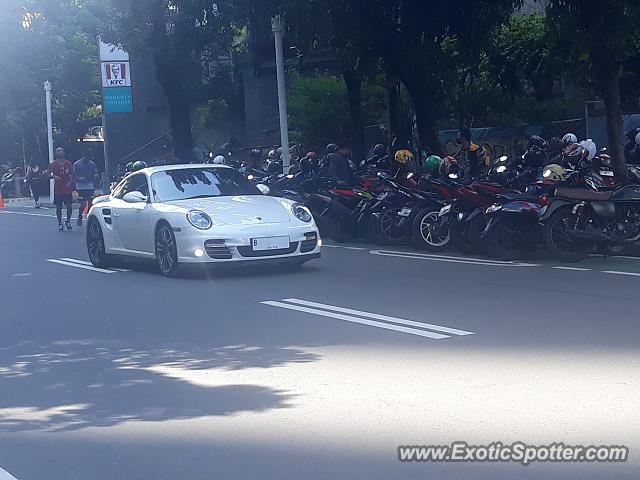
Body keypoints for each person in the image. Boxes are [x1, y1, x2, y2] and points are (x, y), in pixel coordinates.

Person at [49, 147, 74, 231]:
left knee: (69, 206)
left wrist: (70, 182)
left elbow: (72, 174)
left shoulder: (68, 163)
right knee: (58, 207)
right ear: (56, 153)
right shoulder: (53, 164)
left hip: (67, 188)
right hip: (58, 189)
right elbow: (46, 174)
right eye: (58, 151)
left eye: (62, 150)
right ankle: (60, 222)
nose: (61, 152)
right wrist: (53, 176)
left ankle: (68, 221)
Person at [73, 152, 98, 226]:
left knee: (90, 202)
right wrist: (79, 178)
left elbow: (95, 172)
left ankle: (89, 218)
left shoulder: (92, 164)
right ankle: (80, 216)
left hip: (89, 185)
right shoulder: (77, 164)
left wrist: (95, 177)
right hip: (80, 185)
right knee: (83, 203)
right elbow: (73, 175)